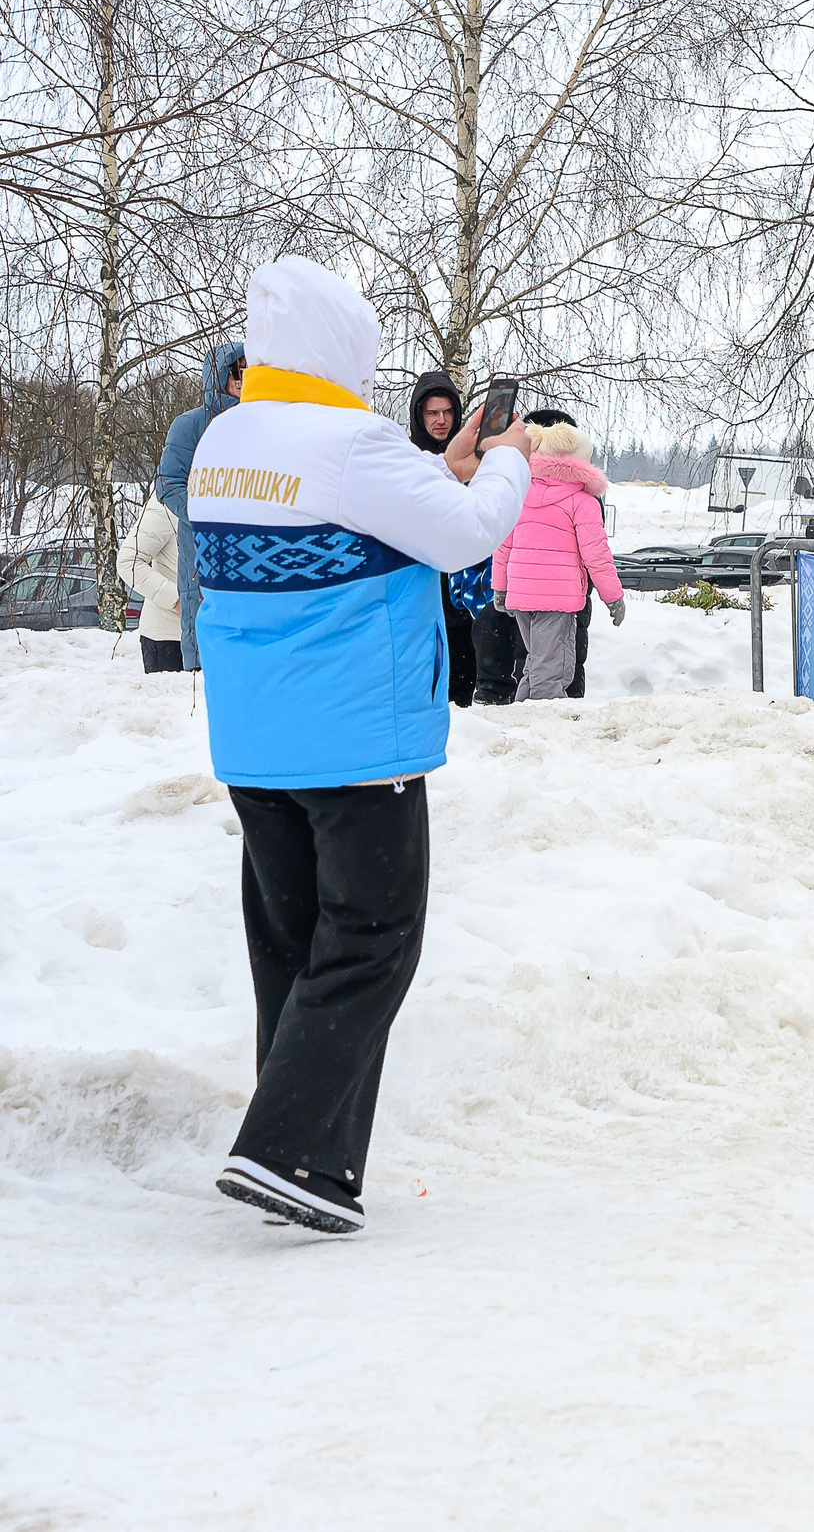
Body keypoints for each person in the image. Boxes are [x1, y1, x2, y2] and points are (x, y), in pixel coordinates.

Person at [192, 256, 531, 1234]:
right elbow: (464, 536)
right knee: (373, 940)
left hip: (256, 741)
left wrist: (435, 470)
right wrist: (508, 456)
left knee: (292, 949)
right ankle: (282, 1146)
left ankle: (312, 1170)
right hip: (355, 735)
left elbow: (344, 516)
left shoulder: (228, 436)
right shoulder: (352, 439)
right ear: (347, 346)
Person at [493, 419, 625, 701]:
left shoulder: (520, 494)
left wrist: (500, 586)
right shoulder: (582, 501)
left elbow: (503, 545)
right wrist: (613, 597)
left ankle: (520, 721)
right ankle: (543, 730)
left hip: (521, 595)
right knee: (551, 670)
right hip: (558, 598)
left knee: (535, 663)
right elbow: (596, 555)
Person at [155, 340, 245, 671]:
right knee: (201, 610)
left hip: (250, 543)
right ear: (218, 374)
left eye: (250, 370)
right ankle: (197, 670)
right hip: (200, 544)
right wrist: (204, 514)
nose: (243, 377)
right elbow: (167, 482)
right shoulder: (190, 424)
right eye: (236, 370)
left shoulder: (261, 422)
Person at [408, 370, 483, 705]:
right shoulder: (406, 458)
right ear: (418, 415)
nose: (441, 420)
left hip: (467, 574)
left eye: (447, 412)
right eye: (432, 413)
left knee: (467, 647)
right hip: (422, 575)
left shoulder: (474, 459)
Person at [115, 492, 185, 672]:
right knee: (172, 701)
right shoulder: (167, 499)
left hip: (213, 635)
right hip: (169, 639)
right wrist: (178, 601)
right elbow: (129, 562)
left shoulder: (222, 498)